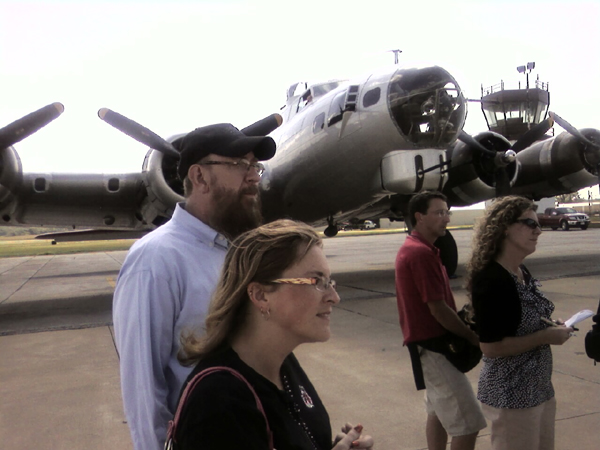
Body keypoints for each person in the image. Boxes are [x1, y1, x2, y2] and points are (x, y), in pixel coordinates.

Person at [112, 123, 276, 450]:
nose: (254, 176)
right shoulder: (155, 260)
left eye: (255, 166)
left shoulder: (238, 251)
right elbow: (144, 389)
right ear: (199, 177)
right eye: (239, 165)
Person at [173, 219, 374, 450]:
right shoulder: (217, 402)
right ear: (260, 295)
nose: (333, 297)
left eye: (330, 282)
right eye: (316, 281)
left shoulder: (282, 364)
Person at [466, 195, 573, 450]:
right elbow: (490, 347)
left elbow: (523, 321)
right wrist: (545, 337)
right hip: (511, 396)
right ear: (504, 227)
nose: (538, 231)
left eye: (538, 225)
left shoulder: (520, 271)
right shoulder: (492, 279)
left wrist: (549, 326)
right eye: (530, 223)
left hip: (539, 389)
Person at [395, 191, 486, 450]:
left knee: (437, 413)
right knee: (469, 425)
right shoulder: (419, 253)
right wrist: (471, 337)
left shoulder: (420, 249)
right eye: (439, 212)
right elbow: (438, 309)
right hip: (435, 347)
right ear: (419, 217)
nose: (446, 218)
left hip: (428, 346)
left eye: (447, 212)